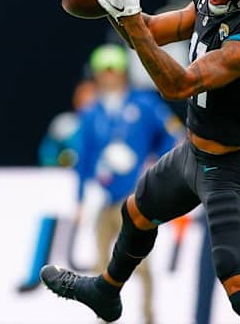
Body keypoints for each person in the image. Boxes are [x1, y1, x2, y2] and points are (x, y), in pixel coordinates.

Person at [40, 0, 240, 324]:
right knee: (136, 213)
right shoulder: (220, 1)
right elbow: (148, 33)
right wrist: (115, 6)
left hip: (231, 167)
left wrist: (129, 20)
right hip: (193, 152)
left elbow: (179, 84)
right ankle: (106, 291)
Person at [72, 43, 183, 324]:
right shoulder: (91, 113)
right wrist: (80, 198)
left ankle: (149, 316)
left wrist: (156, 164)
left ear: (123, 72)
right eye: (103, 71)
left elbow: (172, 135)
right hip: (103, 196)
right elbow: (83, 158)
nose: (109, 76)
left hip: (135, 195)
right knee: (100, 262)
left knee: (140, 262)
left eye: (114, 70)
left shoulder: (144, 104)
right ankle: (102, 317)